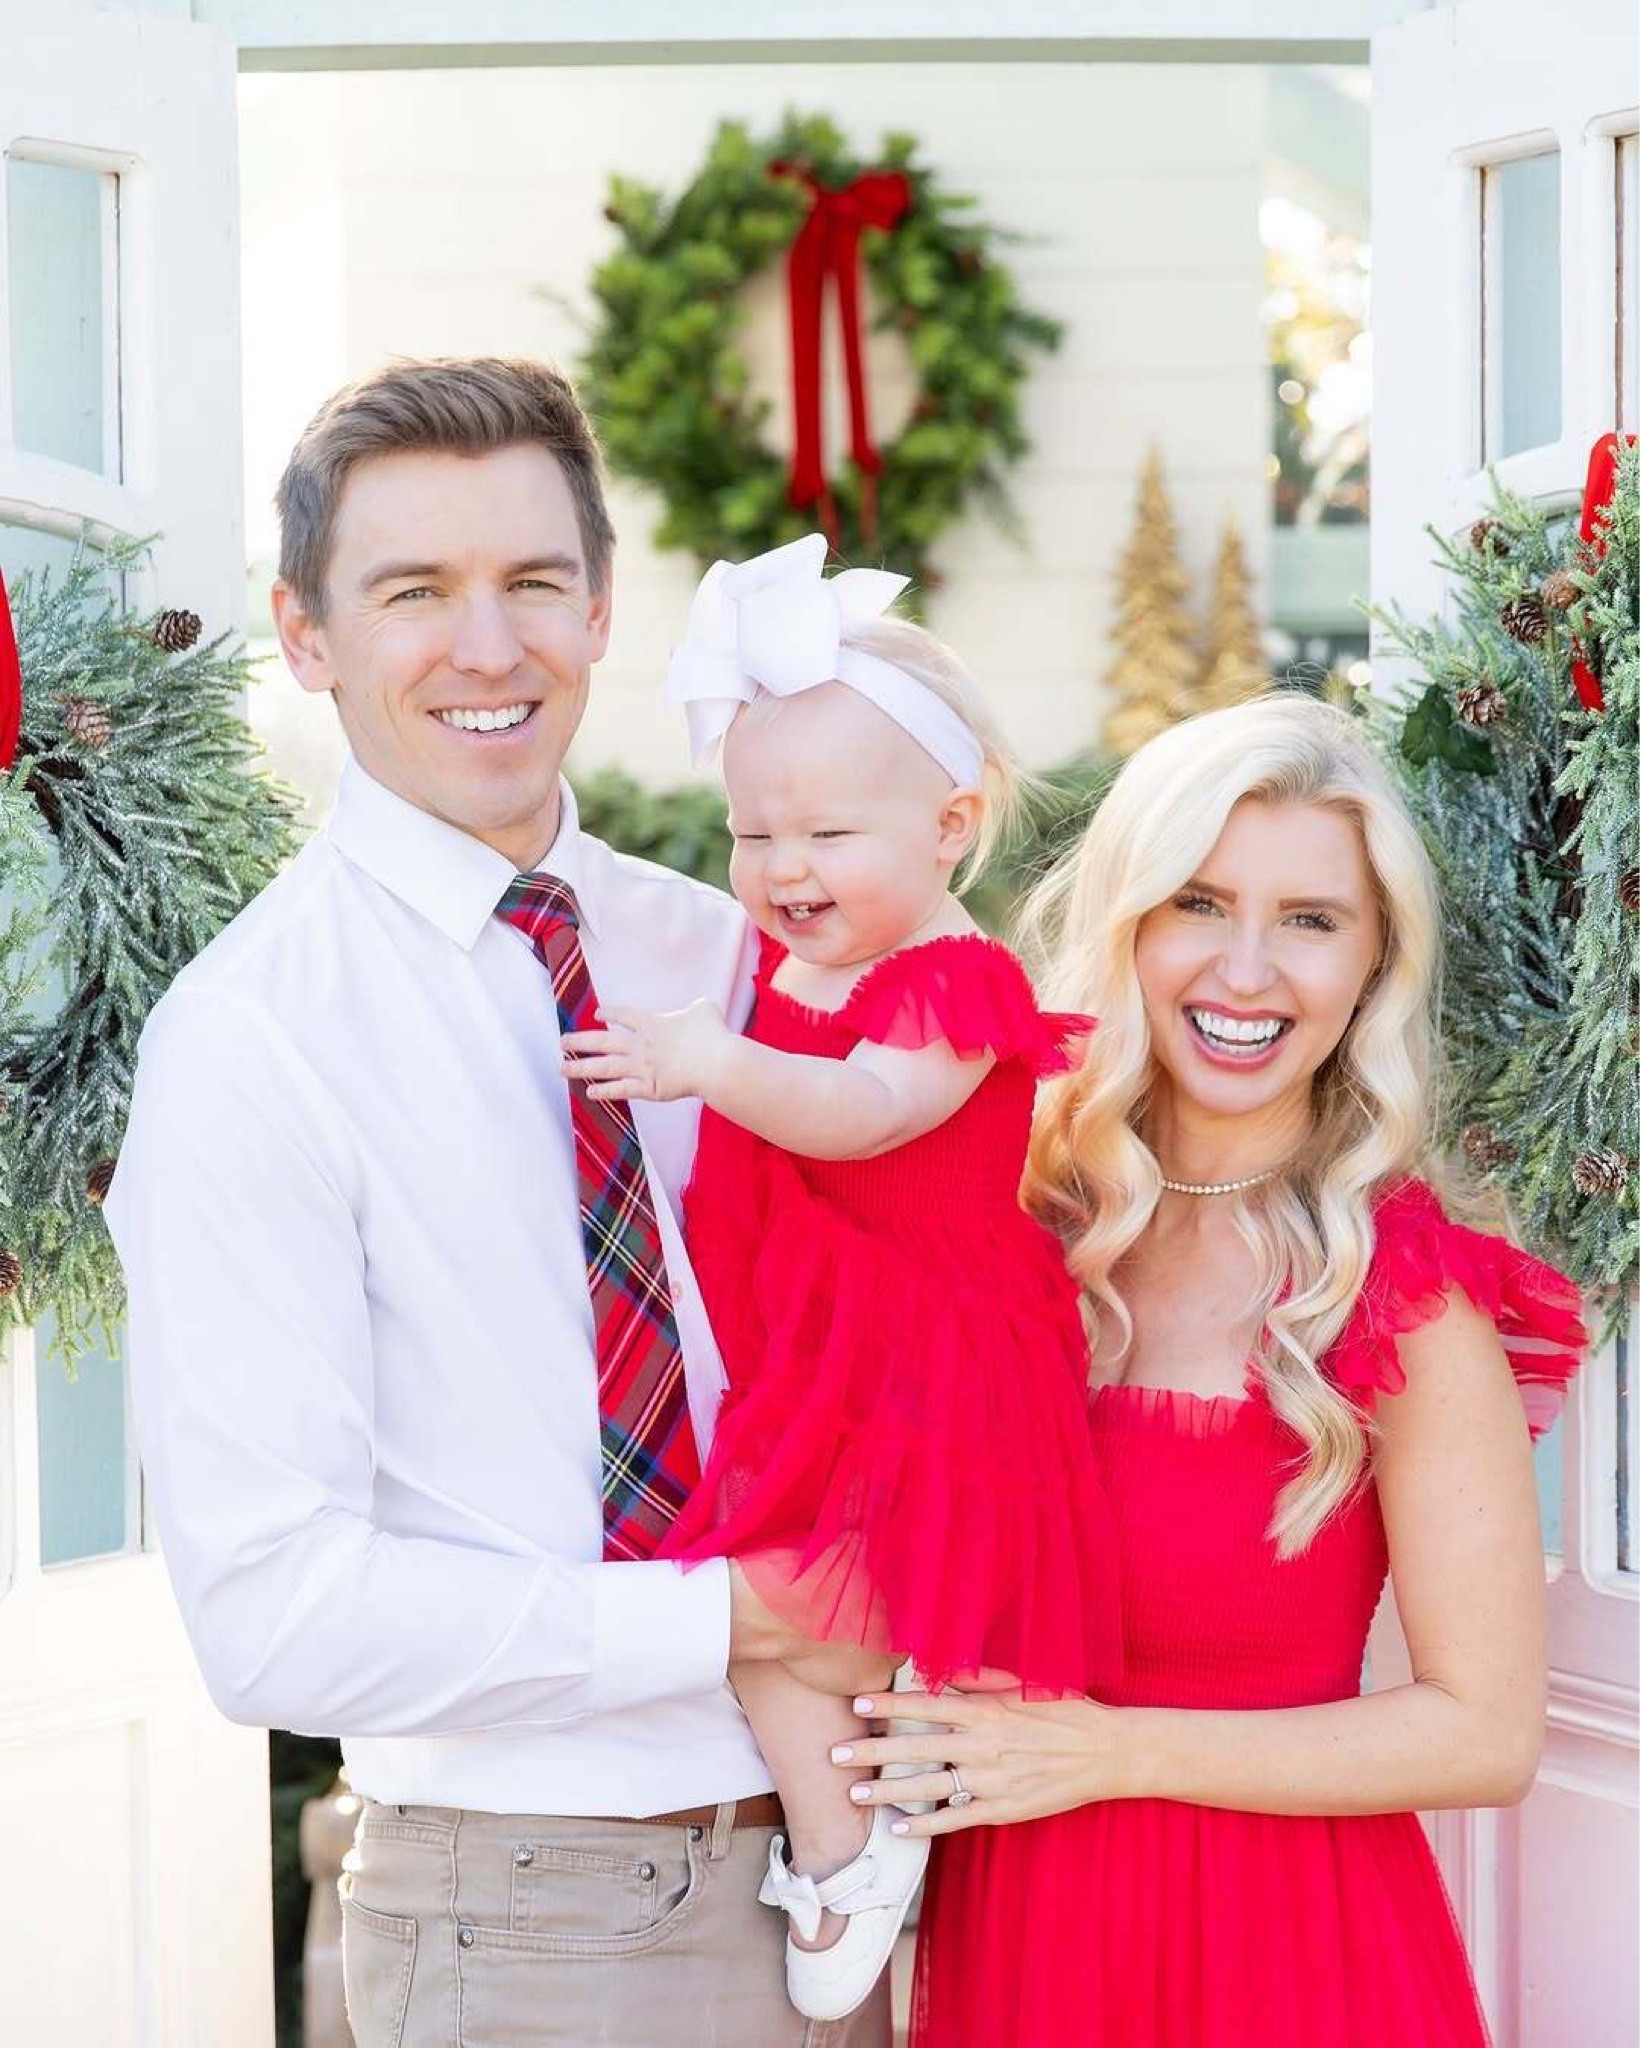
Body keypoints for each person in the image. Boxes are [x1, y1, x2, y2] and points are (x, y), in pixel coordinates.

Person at [103, 358, 890, 2048]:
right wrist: (747, 1612)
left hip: (879, 1853)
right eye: (413, 593)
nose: (488, 646)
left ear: (601, 607)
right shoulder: (253, 1042)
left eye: (534, 581)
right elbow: (274, 1618)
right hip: (543, 1913)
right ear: (304, 637)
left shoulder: (727, 953)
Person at [831, 694, 1587, 2047]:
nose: (1248, 970)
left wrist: (1105, 1753)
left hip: (1292, 1963)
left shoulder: (1402, 1293)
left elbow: (1486, 1732)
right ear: (1126, 924)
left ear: (1373, 966)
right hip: (1021, 1946)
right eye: (1198, 902)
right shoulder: (1003, 1216)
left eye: (1311, 920)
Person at [562, 534, 1123, 2022]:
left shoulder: (951, 982)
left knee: (811, 1621)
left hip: (926, 1368)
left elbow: (864, 1114)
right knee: (765, 1638)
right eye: (752, 834)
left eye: (824, 836)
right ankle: (855, 1838)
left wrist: (704, 1058)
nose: (779, 871)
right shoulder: (792, 973)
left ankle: (852, 1846)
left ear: (949, 826)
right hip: (819, 1368)